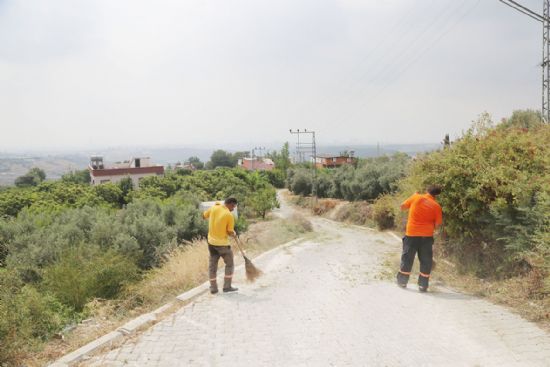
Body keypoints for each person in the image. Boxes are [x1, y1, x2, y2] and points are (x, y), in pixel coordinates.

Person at [396, 185, 443, 292]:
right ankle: (423, 285)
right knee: (426, 261)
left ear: (427, 190)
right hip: (426, 237)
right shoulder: (437, 206)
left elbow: (402, 206)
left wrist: (412, 196)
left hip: (411, 234)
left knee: (407, 258)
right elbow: (438, 224)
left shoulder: (416, 197)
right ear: (436, 195)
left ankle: (402, 281)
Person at [203, 197, 239, 294]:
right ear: (230, 204)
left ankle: (213, 288)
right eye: (233, 206)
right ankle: (227, 287)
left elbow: (204, 216)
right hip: (222, 245)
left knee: (212, 266)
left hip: (211, 243)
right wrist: (234, 233)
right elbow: (229, 232)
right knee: (230, 264)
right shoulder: (229, 215)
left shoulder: (214, 207)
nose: (233, 209)